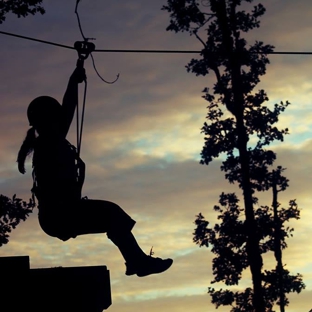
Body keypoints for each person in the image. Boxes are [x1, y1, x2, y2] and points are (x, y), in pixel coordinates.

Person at [17, 66, 172, 277]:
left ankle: (136, 261)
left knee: (113, 214)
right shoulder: (49, 143)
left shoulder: (48, 141)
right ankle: (138, 262)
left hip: (57, 214)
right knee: (112, 214)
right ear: (49, 121)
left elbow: (66, 112)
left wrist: (73, 81)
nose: (61, 121)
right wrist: (73, 81)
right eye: (56, 118)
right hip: (59, 214)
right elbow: (68, 113)